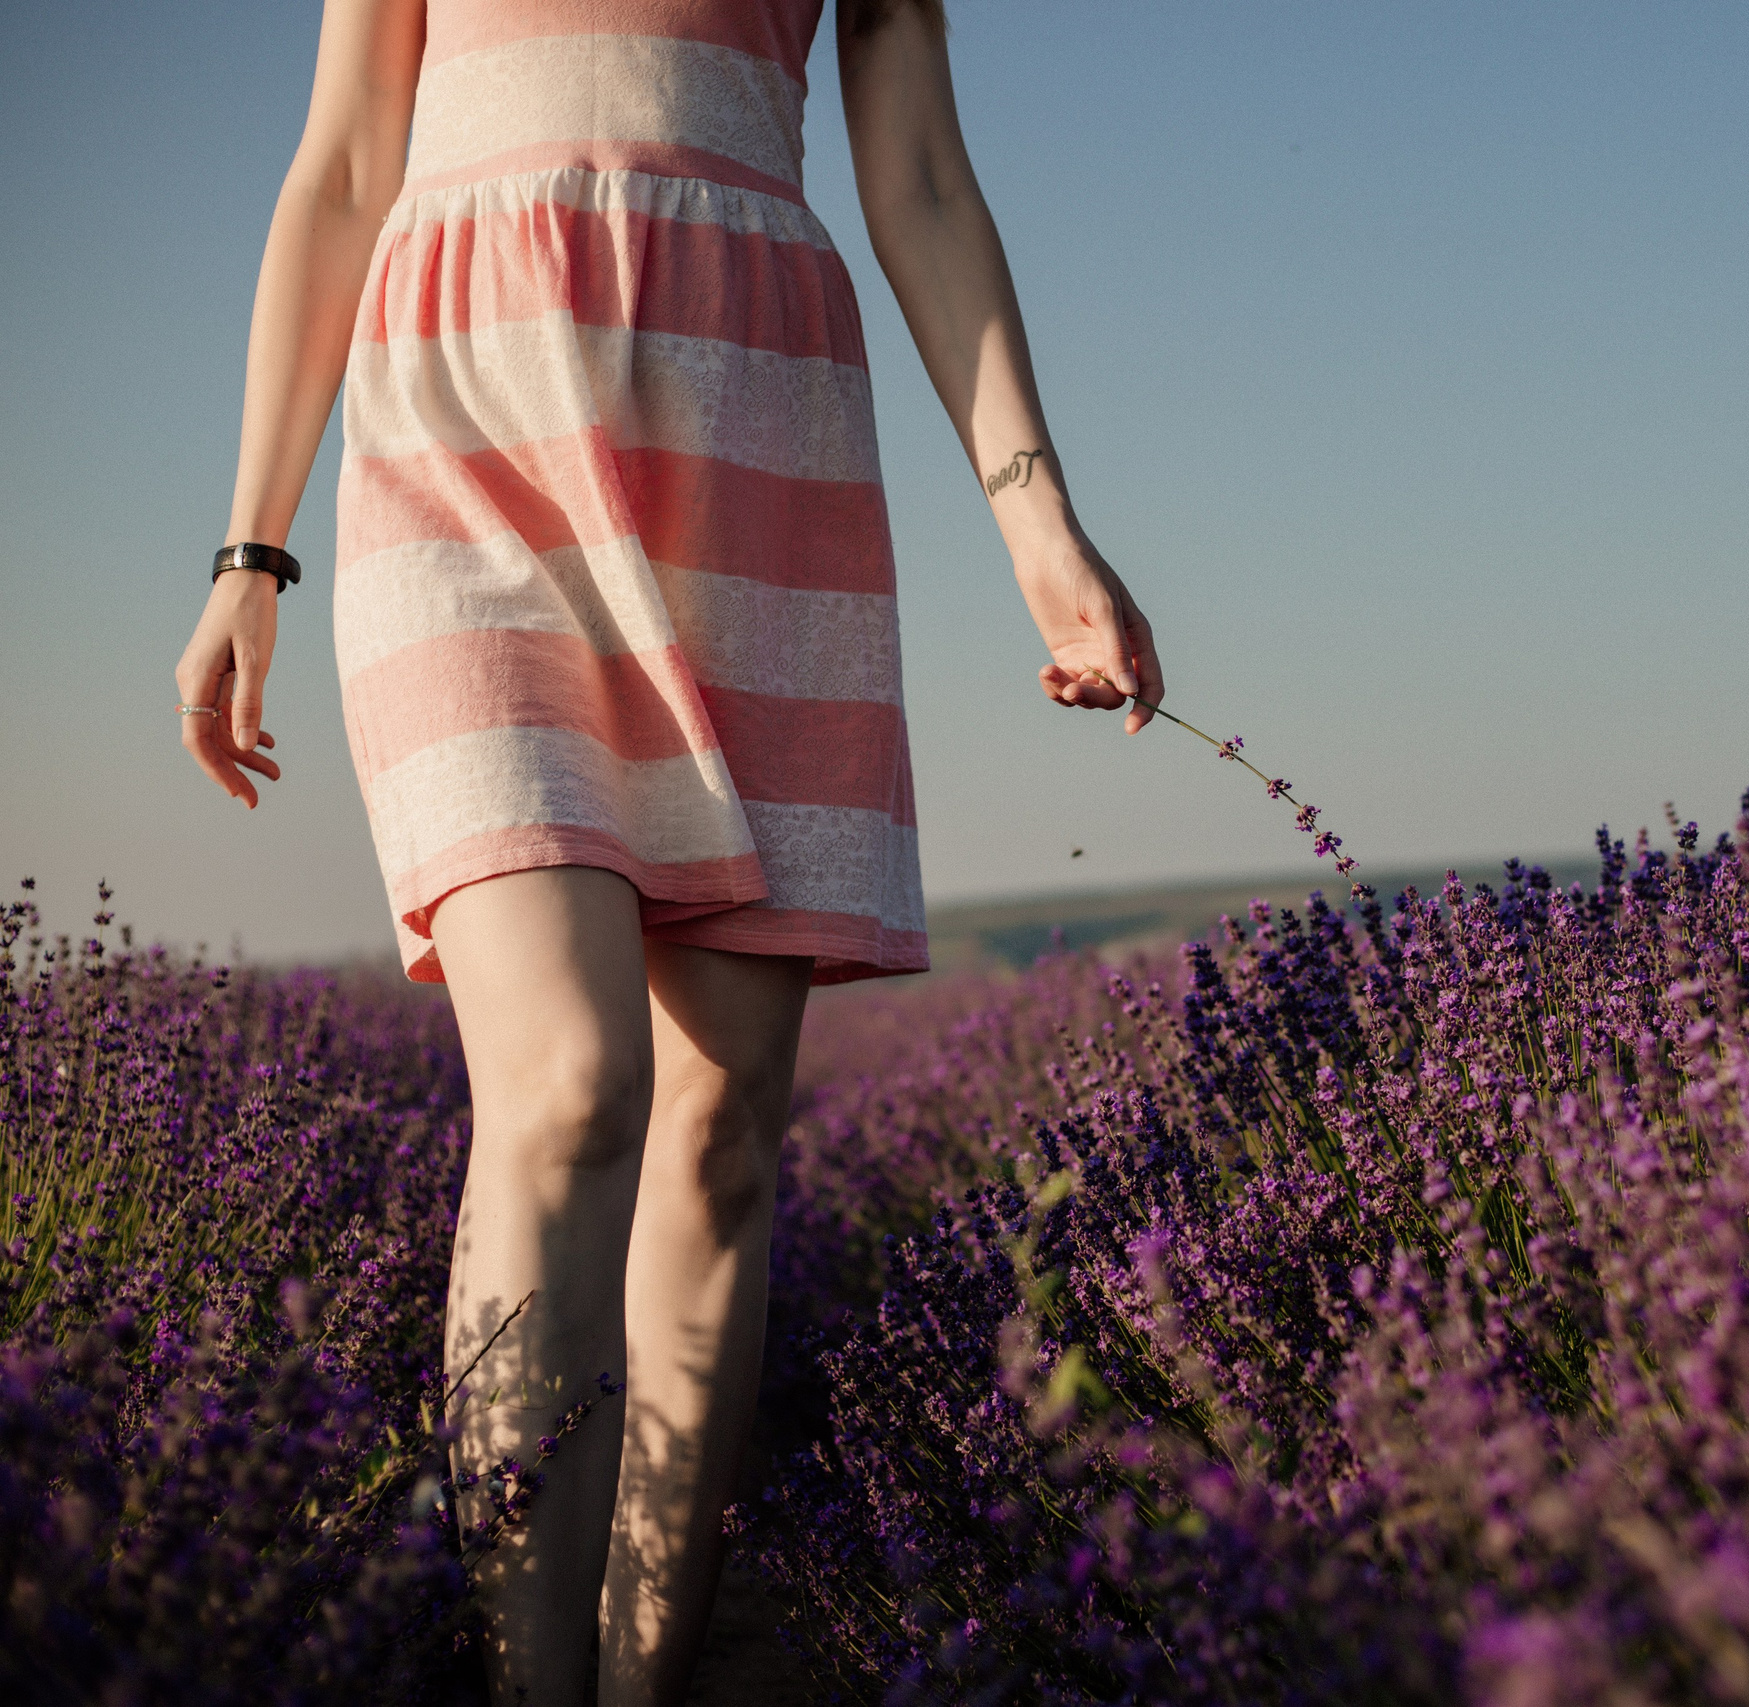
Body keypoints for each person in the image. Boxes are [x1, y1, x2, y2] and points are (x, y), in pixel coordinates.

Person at [170, 1, 1163, 1698]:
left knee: (722, 1139)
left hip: (750, 434)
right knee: (566, 1086)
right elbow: (343, 159)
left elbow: (918, 171)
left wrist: (1035, 517)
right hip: (461, 424)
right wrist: (250, 547)